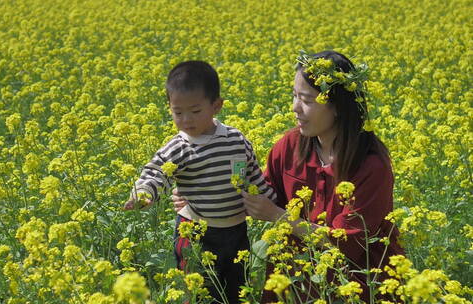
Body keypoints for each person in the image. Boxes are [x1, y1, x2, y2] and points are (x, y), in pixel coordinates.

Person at [172, 51, 404, 302]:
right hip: (293, 279)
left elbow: (348, 246)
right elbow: (259, 193)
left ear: (337, 105)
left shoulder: (371, 166)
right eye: (294, 96)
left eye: (306, 100)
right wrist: (201, 195)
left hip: (356, 283)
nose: (295, 108)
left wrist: (277, 216)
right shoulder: (291, 145)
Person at [124, 60, 276, 304]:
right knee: (199, 292)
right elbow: (157, 172)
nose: (186, 120)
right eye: (178, 112)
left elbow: (252, 174)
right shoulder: (179, 147)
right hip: (194, 233)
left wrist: (271, 200)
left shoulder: (235, 139)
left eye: (195, 112)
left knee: (238, 288)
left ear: (216, 106)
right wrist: (144, 193)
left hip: (236, 230)